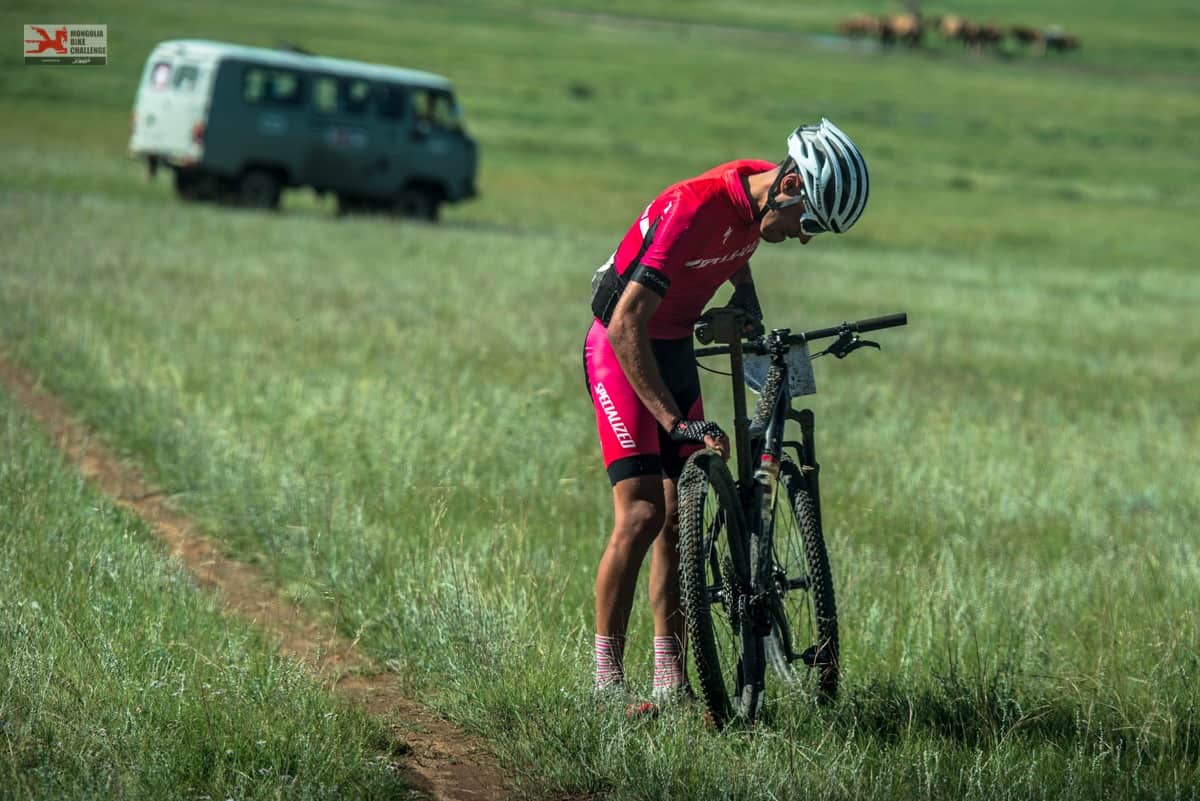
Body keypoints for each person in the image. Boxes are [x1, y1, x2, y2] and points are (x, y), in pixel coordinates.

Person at [582, 118, 870, 710]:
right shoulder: (692, 207)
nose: (806, 237)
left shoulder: (753, 198)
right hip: (621, 347)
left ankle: (671, 680)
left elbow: (733, 246)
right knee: (640, 513)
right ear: (789, 183)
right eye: (808, 222)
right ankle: (605, 684)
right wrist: (673, 422)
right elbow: (625, 321)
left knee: (677, 519)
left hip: (674, 345)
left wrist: (746, 299)